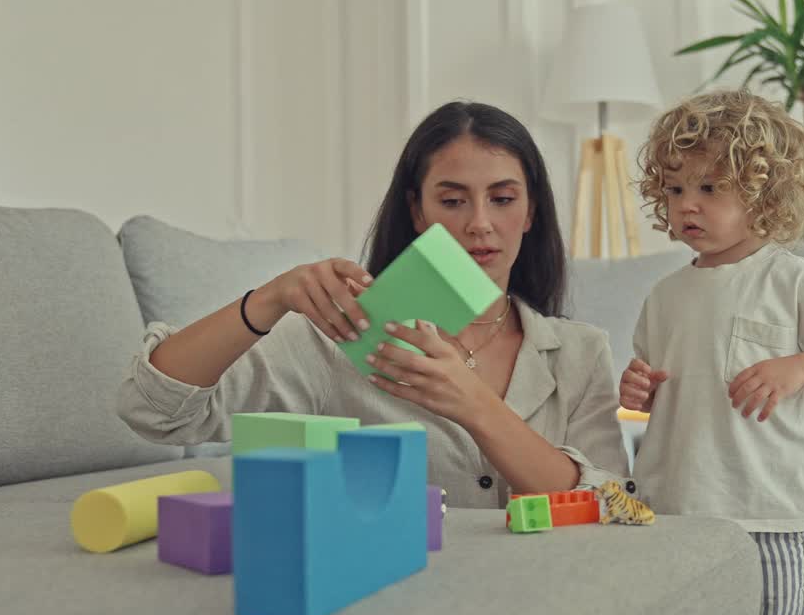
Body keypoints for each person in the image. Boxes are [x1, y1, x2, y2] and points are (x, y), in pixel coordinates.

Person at [117, 101, 628, 507]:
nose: (479, 223)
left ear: (531, 210)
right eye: (452, 201)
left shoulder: (581, 353)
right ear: (418, 210)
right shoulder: (347, 331)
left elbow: (612, 506)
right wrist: (266, 301)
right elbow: (153, 412)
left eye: (502, 198)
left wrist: (473, 402)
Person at [619, 90, 804, 615]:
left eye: (710, 188)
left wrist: (802, 368)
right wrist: (636, 393)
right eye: (677, 188)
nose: (688, 204)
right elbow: (643, 401)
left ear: (763, 194)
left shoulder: (795, 280)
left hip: (768, 512)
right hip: (677, 509)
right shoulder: (663, 297)